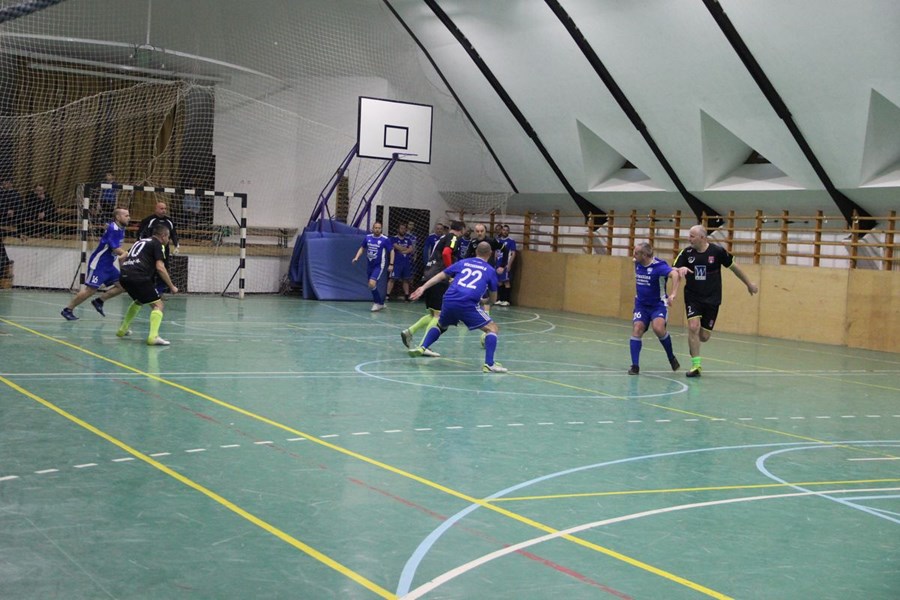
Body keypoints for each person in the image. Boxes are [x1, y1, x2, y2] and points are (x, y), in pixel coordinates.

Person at [673, 224, 759, 377]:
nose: (689, 239)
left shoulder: (717, 251)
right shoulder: (686, 253)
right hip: (693, 297)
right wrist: (680, 269)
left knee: (704, 336)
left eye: (692, 236)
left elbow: (734, 267)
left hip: (712, 299)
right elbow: (672, 270)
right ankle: (696, 366)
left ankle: (694, 344)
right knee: (693, 327)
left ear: (702, 237)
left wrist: (749, 284)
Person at [409, 241, 507, 373]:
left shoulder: (463, 262)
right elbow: (493, 298)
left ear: (476, 252)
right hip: (467, 303)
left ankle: (422, 347)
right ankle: (489, 364)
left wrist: (423, 287)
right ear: (490, 253)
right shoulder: (490, 270)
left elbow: (441, 275)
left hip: (449, 299)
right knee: (492, 329)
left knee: (441, 325)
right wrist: (486, 301)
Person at [401, 221, 463, 349]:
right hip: (438, 277)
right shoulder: (453, 237)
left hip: (428, 275)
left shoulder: (442, 238)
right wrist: (451, 272)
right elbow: (446, 253)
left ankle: (409, 332)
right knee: (438, 315)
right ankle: (424, 346)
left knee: (432, 314)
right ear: (461, 230)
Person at [61, 208, 130, 320]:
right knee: (90, 290)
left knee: (122, 285)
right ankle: (68, 309)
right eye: (126, 215)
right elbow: (115, 248)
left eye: (128, 215)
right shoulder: (114, 228)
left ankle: (99, 301)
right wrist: (127, 254)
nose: (129, 218)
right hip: (99, 264)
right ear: (118, 217)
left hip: (109, 265)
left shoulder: (121, 228)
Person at [116, 223, 179, 345]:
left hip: (124, 276)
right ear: (163, 236)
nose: (168, 240)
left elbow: (121, 258)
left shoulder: (140, 242)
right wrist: (171, 286)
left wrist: (127, 271)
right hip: (139, 276)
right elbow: (160, 267)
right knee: (158, 305)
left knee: (139, 301)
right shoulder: (157, 244)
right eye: (168, 237)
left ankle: (123, 329)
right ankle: (153, 337)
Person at [628, 242, 681, 375]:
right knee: (637, 329)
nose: (633, 255)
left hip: (658, 305)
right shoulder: (637, 262)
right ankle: (635, 366)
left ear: (645, 255)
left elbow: (675, 274)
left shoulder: (659, 267)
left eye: (636, 253)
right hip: (641, 305)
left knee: (658, 328)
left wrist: (673, 294)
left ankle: (671, 357)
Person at [137, 201, 179, 292]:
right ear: (156, 209)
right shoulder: (149, 220)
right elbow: (140, 234)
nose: (164, 210)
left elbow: (174, 234)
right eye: (161, 208)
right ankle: (148, 291)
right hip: (151, 250)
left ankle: (159, 292)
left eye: (165, 209)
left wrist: (176, 246)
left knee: (164, 270)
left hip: (164, 250)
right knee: (151, 270)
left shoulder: (169, 221)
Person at [351, 221, 392, 311]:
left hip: (379, 266)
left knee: (372, 283)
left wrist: (391, 264)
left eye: (379, 228)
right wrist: (356, 257)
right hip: (370, 265)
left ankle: (377, 303)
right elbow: (362, 248)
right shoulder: (368, 237)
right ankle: (380, 303)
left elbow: (392, 251)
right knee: (371, 285)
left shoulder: (385, 239)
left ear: (381, 229)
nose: (377, 230)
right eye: (375, 228)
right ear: (372, 229)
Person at [386, 222, 414, 302]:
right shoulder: (393, 238)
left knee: (406, 280)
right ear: (398, 229)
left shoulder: (408, 240)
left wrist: (404, 250)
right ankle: (387, 295)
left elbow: (411, 249)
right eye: (401, 228)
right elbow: (396, 246)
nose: (403, 230)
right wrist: (405, 249)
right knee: (392, 279)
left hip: (406, 263)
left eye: (404, 229)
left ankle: (406, 296)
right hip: (396, 263)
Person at [494, 224, 517, 306]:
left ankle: (506, 300)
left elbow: (513, 253)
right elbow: (496, 251)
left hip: (505, 264)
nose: (505, 232)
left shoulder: (511, 241)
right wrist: (495, 262)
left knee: (506, 281)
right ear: (501, 231)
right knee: (499, 282)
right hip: (498, 264)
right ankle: (500, 299)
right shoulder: (498, 240)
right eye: (504, 230)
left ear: (509, 232)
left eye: (507, 230)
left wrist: (509, 264)